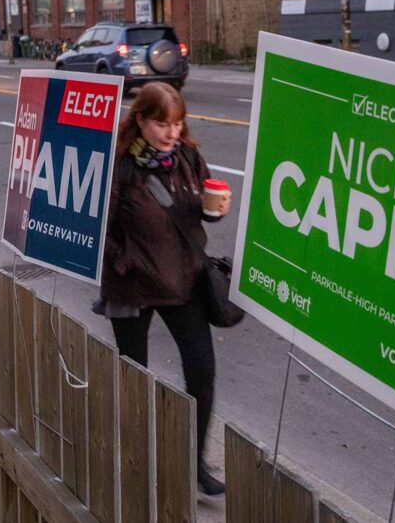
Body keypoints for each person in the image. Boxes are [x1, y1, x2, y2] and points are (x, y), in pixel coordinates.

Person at [96, 81, 232, 496]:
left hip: (184, 283)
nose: (171, 132)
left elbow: (200, 214)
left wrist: (216, 213)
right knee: (133, 375)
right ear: (140, 120)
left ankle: (194, 464)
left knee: (202, 372)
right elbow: (99, 225)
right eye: (161, 123)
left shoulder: (189, 157)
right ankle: (137, 458)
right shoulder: (121, 165)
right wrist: (127, 261)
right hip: (132, 288)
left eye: (177, 123)